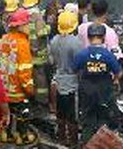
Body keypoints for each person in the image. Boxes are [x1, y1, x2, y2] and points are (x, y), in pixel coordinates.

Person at [74, 23, 122, 144]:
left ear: (89, 38)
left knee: (87, 121)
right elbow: (119, 72)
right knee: (104, 119)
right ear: (103, 37)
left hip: (87, 90)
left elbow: (75, 69)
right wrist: (115, 79)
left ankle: (86, 144)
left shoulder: (82, 54)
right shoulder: (108, 55)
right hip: (104, 90)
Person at [0, 8, 37, 145]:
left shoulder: (3, 40)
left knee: (8, 113)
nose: (29, 27)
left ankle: (6, 134)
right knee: (23, 113)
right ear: (19, 26)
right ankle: (23, 136)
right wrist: (30, 88)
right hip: (18, 90)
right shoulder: (22, 43)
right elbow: (24, 70)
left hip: (4, 89)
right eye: (27, 24)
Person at [48, 10, 81, 146]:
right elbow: (79, 65)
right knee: (72, 117)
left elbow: (51, 61)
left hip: (58, 80)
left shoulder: (54, 40)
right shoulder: (76, 42)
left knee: (60, 115)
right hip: (72, 83)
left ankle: (61, 139)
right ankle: (73, 142)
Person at [23, 0, 50, 106]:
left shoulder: (23, 14)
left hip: (27, 51)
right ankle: (42, 100)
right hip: (38, 53)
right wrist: (48, 27)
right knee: (40, 78)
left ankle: (30, 98)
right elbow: (41, 33)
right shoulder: (37, 15)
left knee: (29, 76)